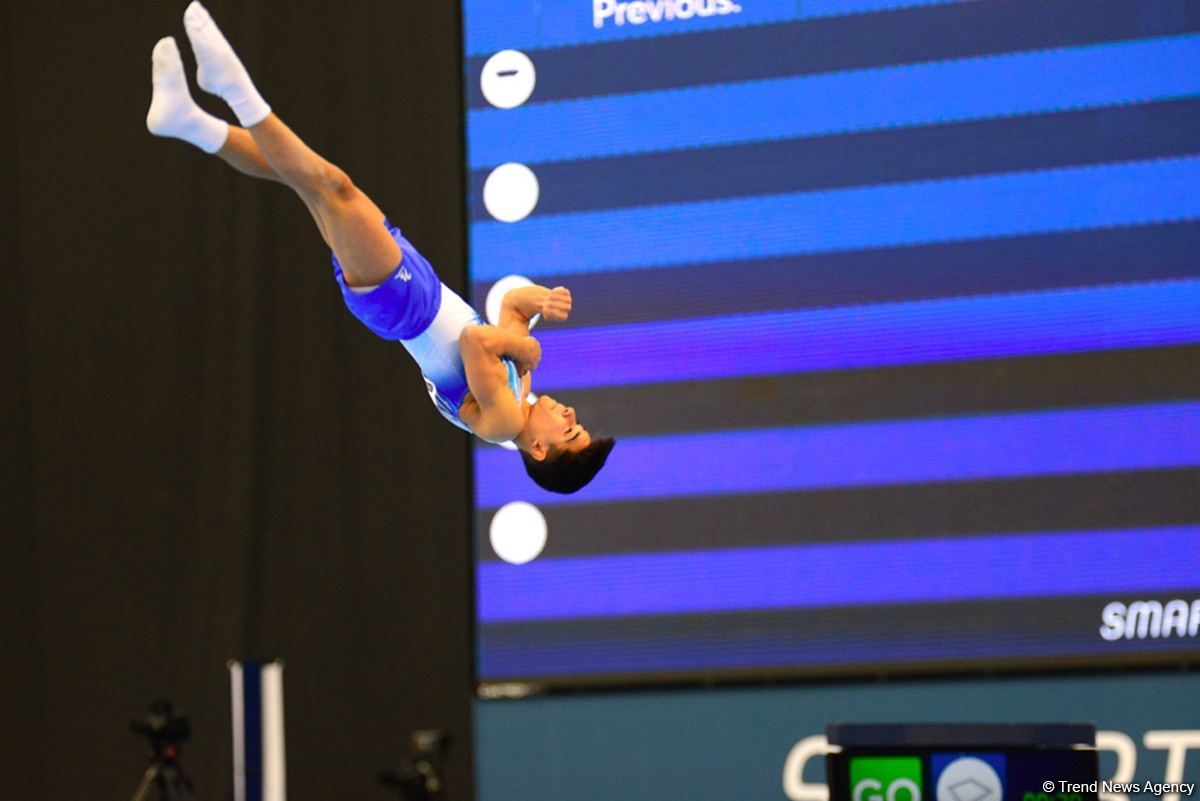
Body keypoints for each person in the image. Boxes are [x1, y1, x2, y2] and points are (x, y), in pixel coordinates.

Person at [147, 2, 614, 493]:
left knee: (333, 186)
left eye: (570, 430)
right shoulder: (517, 390)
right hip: (417, 289)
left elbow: (478, 342)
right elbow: (511, 306)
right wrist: (540, 302)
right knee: (306, 184)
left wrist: (524, 346)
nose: (570, 413)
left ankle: (234, 89)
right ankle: (188, 121)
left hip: (406, 307)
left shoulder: (500, 421)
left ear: (539, 450)